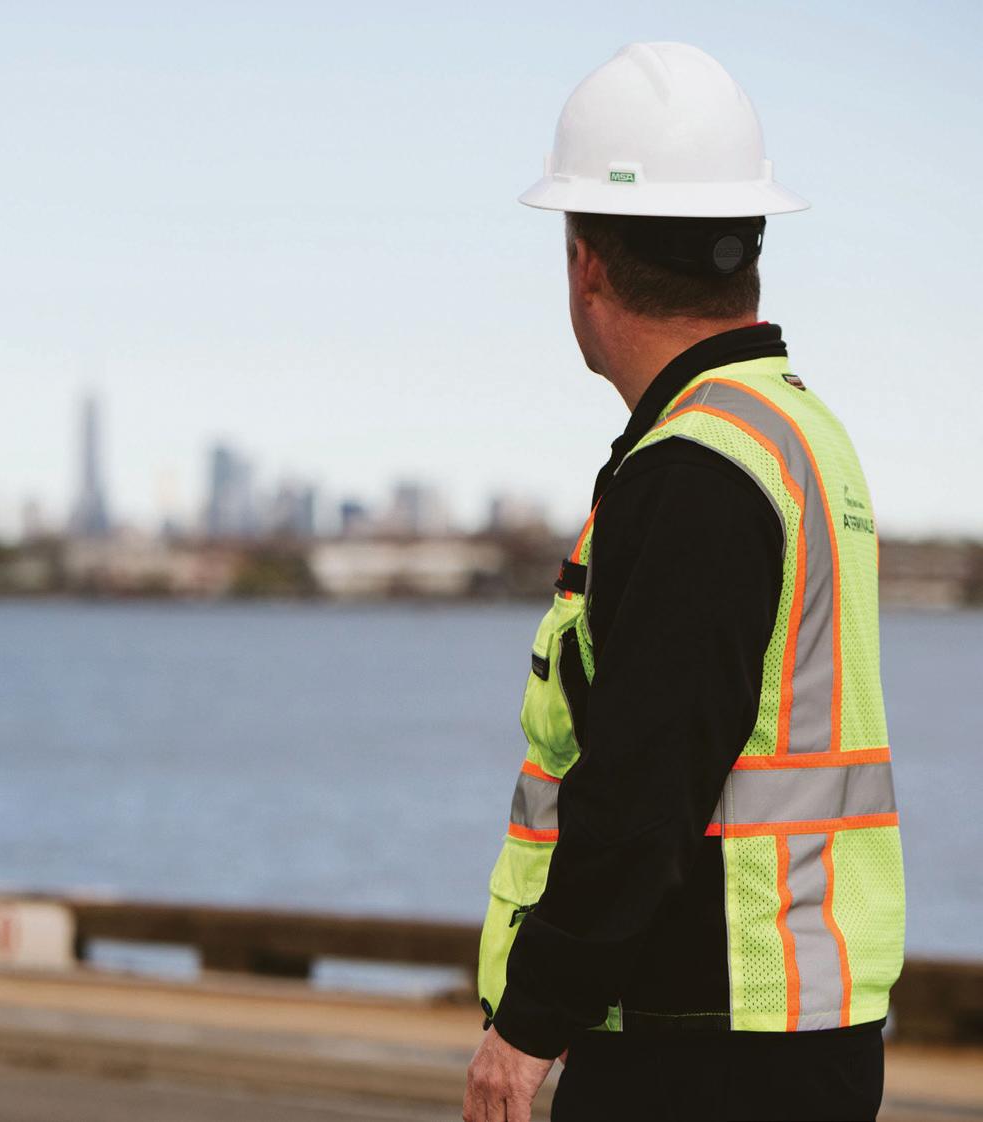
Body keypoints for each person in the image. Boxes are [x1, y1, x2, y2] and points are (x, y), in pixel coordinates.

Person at [462, 43, 904, 1122]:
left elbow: (642, 781)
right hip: (797, 1026)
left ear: (586, 263)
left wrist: (529, 1026)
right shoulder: (797, 432)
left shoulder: (696, 469)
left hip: (700, 1043)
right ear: (749, 243)